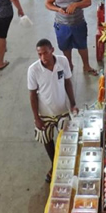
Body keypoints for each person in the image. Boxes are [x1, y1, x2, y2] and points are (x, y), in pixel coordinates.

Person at [28, 38, 79, 182]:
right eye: (39, 54)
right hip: (44, 113)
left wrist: (73, 104)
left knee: (67, 139)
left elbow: (67, 82)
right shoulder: (33, 70)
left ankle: (66, 164)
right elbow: (32, 95)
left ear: (52, 50)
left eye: (45, 53)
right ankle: (54, 164)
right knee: (47, 140)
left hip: (62, 110)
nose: (43, 57)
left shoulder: (63, 62)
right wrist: (36, 118)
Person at [45, 0, 97, 75]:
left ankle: (86, 66)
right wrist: (58, 9)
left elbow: (88, 1)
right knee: (65, 47)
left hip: (78, 23)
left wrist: (76, 4)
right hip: (62, 25)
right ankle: (69, 65)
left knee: (82, 45)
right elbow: (47, 3)